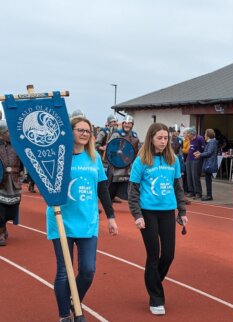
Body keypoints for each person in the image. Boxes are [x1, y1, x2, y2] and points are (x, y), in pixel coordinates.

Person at [46, 116, 118, 321]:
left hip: (87, 221)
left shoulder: (94, 157)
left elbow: (102, 188)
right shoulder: (58, 156)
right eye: (80, 130)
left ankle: (73, 302)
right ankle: (65, 316)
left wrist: (111, 216)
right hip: (61, 221)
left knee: (88, 270)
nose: (85, 133)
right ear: (70, 132)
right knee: (63, 271)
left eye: (88, 131)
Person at [128, 122, 188, 316]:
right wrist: (137, 215)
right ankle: (156, 298)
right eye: (159, 138)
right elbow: (133, 192)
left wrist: (182, 211)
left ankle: (152, 281)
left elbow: (178, 188)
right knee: (153, 255)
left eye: (166, 138)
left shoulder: (174, 160)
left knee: (168, 255)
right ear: (151, 138)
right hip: (148, 213)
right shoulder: (141, 161)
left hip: (168, 212)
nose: (163, 142)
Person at [0, 120, 23, 246]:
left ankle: (3, 226)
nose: (10, 133)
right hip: (0, 182)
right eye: (7, 131)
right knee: (0, 211)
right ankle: (1, 232)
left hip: (14, 182)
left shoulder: (18, 145)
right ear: (2, 133)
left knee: (11, 211)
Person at [107, 115, 140, 202]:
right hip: (116, 164)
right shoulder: (116, 134)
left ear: (132, 125)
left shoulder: (135, 136)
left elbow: (137, 151)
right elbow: (110, 148)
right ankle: (109, 202)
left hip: (128, 165)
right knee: (112, 185)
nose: (127, 125)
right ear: (122, 124)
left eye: (129, 123)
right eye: (125, 123)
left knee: (128, 183)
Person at [194, 129, 218, 201]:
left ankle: (209, 195)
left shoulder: (212, 142)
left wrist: (200, 154)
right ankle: (208, 194)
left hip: (209, 163)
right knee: (208, 179)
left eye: (205, 134)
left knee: (208, 180)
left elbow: (209, 153)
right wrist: (200, 153)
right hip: (208, 162)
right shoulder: (211, 142)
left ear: (208, 135)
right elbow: (208, 152)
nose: (204, 135)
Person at [185, 127, 205, 200]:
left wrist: (200, 155)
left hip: (196, 160)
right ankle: (191, 191)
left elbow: (204, 149)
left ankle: (198, 193)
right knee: (189, 176)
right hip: (189, 159)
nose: (187, 135)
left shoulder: (200, 139)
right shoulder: (190, 140)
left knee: (195, 176)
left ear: (192, 134)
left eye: (188, 134)